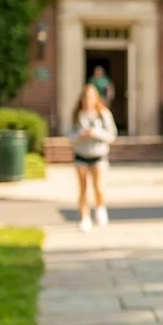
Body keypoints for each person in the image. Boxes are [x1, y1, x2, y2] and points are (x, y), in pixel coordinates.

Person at [68, 84, 118, 232]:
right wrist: (80, 135)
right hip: (81, 154)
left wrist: (96, 133)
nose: (87, 100)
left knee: (98, 187)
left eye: (90, 97)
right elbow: (69, 134)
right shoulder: (77, 114)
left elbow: (111, 135)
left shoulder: (103, 114)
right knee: (83, 188)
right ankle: (85, 217)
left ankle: (100, 209)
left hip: (98, 155)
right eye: (85, 97)